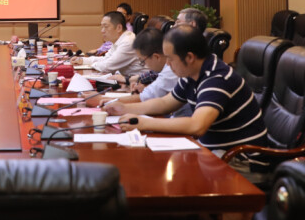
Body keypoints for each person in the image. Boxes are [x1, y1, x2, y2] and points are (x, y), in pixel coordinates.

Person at [105, 25, 268, 174]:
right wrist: (124, 109)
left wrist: (144, 123)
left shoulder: (217, 79)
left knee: (161, 171)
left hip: (241, 160)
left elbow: (197, 126)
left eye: (170, 59)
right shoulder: (192, 73)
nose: (168, 64)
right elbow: (165, 103)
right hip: (216, 152)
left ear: (189, 57)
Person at [100, 28, 178, 104]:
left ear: (156, 57)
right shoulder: (163, 68)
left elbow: (144, 97)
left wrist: (108, 101)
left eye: (142, 61)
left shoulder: (170, 71)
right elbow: (152, 76)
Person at [72, 11, 144, 75]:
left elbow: (107, 66)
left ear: (119, 28)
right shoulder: (119, 40)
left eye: (106, 27)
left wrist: (91, 65)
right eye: (102, 27)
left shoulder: (128, 42)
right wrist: (82, 60)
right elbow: (106, 59)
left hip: (140, 83)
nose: (102, 31)